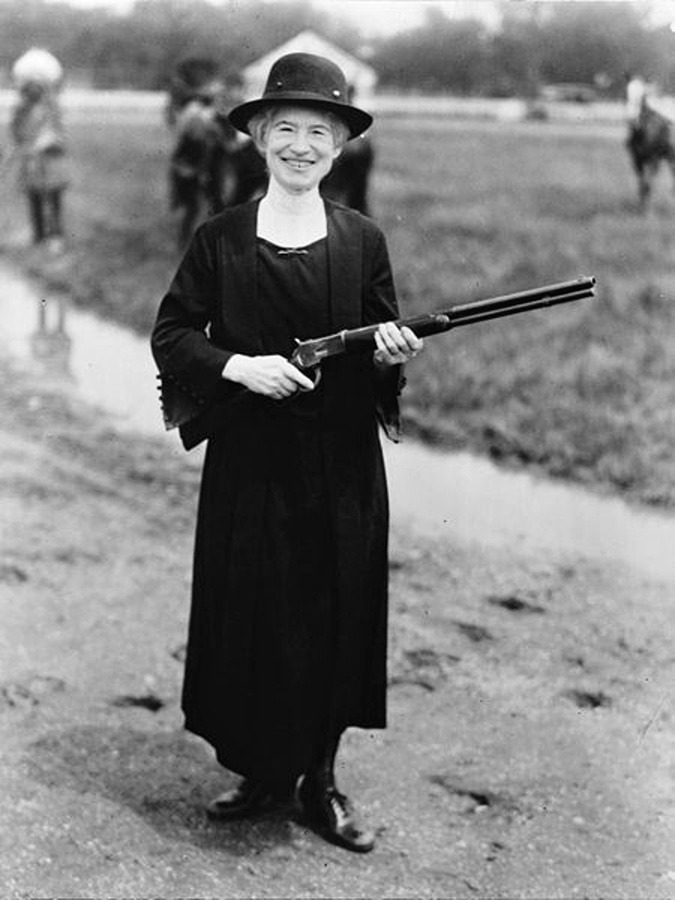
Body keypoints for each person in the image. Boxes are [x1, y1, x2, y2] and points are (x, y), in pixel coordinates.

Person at [150, 52, 423, 853]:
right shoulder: (221, 239)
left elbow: (382, 341)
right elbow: (172, 335)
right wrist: (238, 366)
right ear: (259, 139)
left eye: (319, 132)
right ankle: (262, 771)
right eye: (286, 129)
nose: (301, 145)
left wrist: (390, 353)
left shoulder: (362, 240)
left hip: (338, 467)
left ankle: (319, 781)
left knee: (332, 613)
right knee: (252, 614)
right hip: (248, 464)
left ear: (339, 149)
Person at [10, 49, 69, 252]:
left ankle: (56, 235)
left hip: (50, 160)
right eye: (30, 87)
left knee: (53, 198)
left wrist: (48, 141)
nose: (34, 91)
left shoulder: (52, 108)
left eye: (38, 87)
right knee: (34, 198)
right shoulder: (21, 110)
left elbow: (59, 133)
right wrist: (25, 146)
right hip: (31, 161)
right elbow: (17, 134)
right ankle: (39, 234)